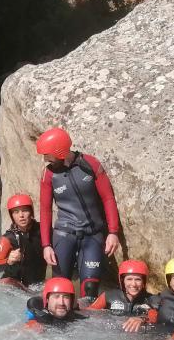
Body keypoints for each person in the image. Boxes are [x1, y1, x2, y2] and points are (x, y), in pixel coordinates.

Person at [36, 127, 121, 308]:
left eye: (47, 155)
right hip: (64, 235)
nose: (45, 159)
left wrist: (113, 232)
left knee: (90, 292)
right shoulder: (49, 174)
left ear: (60, 151)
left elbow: (108, 198)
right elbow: (45, 210)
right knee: (58, 289)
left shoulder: (90, 165)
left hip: (93, 235)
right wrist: (46, 246)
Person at [0, 194, 46, 289]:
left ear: (31, 212)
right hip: (15, 284)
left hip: (37, 284)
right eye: (16, 212)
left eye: (25, 210)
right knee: (5, 282)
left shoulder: (43, 230)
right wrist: (8, 261)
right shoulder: (7, 239)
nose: (21, 215)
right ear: (12, 216)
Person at [89, 260, 155, 321]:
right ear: (122, 281)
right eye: (129, 279)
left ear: (144, 282)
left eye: (138, 279)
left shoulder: (151, 300)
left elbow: (156, 318)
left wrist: (143, 319)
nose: (133, 284)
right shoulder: (108, 296)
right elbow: (89, 312)